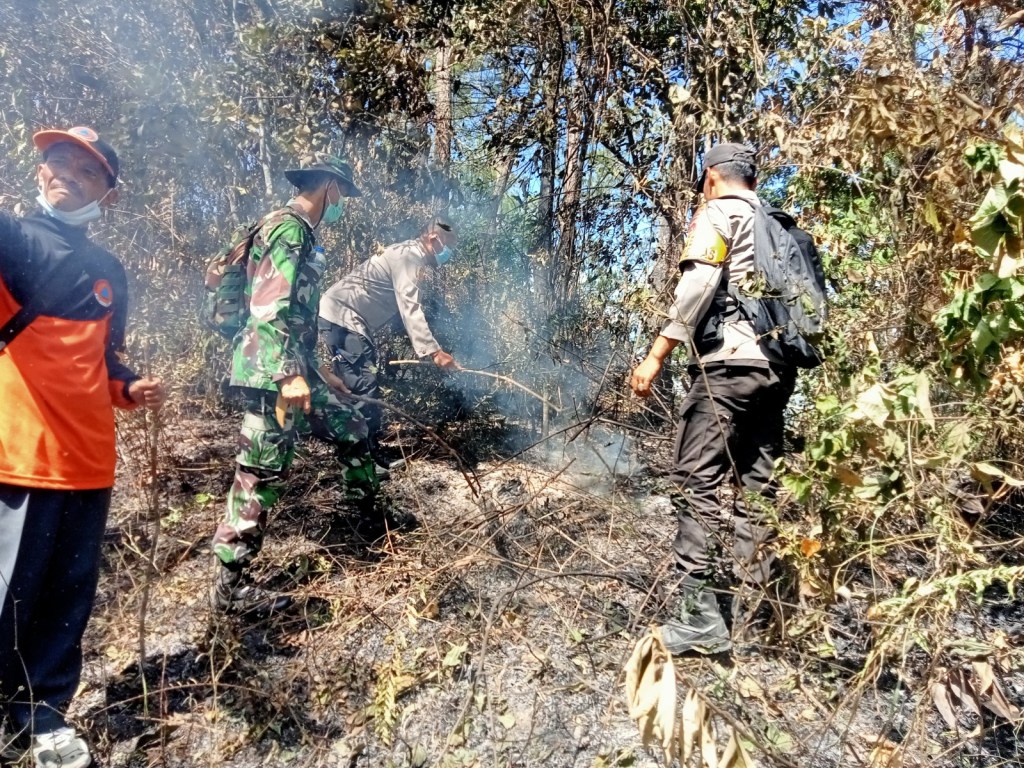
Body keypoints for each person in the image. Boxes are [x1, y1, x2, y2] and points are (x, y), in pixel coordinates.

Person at [0, 126, 166, 768]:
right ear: (39, 171)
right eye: (57, 160)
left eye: (86, 169)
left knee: (68, 598)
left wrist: (131, 389)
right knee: (7, 593)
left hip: (91, 464)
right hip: (21, 457)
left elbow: (108, 361)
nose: (67, 171)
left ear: (110, 194)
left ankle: (43, 716)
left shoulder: (111, 274)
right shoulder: (13, 242)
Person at [630, 142, 798, 656]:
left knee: (693, 481)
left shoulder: (718, 212)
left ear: (710, 177)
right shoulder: (776, 224)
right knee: (756, 489)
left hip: (728, 366)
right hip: (777, 369)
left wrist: (657, 354)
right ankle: (758, 618)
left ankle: (699, 617)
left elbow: (699, 283)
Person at [210, 153, 378, 615]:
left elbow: (291, 316)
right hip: (273, 373)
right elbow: (270, 305)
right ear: (329, 187)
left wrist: (319, 373)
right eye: (341, 193)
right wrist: (287, 374)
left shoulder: (287, 229)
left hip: (291, 365)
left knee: (353, 426)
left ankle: (369, 519)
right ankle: (229, 589)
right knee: (260, 472)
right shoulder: (289, 228)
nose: (342, 203)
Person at [318, 218, 462, 466]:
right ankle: (365, 459)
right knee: (363, 384)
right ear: (432, 238)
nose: (447, 252)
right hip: (342, 317)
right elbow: (410, 307)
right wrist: (434, 352)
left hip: (346, 319)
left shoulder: (407, 254)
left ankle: (358, 452)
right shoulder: (409, 256)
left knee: (357, 383)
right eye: (446, 244)